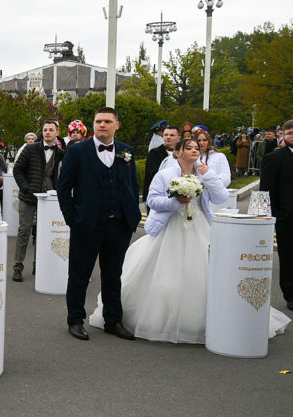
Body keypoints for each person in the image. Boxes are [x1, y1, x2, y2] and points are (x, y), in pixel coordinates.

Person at [90, 137, 289, 341]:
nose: (195, 150)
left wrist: (209, 176)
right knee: (166, 274)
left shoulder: (204, 173)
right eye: (189, 147)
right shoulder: (165, 174)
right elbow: (152, 200)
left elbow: (220, 198)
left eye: (197, 148)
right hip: (171, 225)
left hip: (199, 224)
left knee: (204, 271)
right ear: (178, 152)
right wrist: (174, 200)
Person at [56, 107, 141, 341]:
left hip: (119, 225)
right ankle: (75, 320)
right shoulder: (77, 152)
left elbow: (133, 185)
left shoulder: (126, 152)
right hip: (87, 224)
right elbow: (63, 187)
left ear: (116, 125)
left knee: (113, 275)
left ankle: (113, 320)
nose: (102, 125)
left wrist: (130, 214)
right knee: (79, 274)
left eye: (107, 121)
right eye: (98, 121)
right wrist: (73, 218)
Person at [12, 120, 66, 282]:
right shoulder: (30, 149)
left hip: (49, 199)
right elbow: (17, 169)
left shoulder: (62, 153)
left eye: (51, 130)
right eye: (45, 130)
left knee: (43, 233)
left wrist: (58, 192)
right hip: (28, 196)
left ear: (57, 133)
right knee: (24, 231)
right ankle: (18, 266)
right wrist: (26, 187)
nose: (47, 132)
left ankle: (38, 265)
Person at [262, 120, 293, 312]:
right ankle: (290, 294)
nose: (292, 135)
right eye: (289, 133)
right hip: (287, 218)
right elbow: (266, 190)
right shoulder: (274, 158)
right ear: (282, 135)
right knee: (289, 257)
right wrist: (275, 216)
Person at [143, 126, 180, 204]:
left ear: (178, 137)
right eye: (166, 135)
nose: (168, 137)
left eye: (172, 135)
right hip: (159, 193)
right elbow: (152, 174)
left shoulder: (183, 153)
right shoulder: (155, 153)